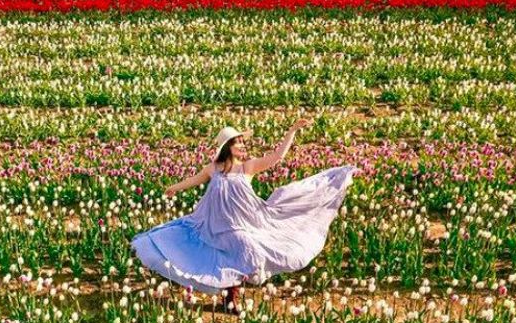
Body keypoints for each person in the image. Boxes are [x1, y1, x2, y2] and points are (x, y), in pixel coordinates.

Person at [131, 119, 355, 311]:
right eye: (238, 142)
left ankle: (231, 295)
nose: (242, 145)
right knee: (204, 251)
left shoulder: (248, 167)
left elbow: (276, 157)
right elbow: (194, 180)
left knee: (246, 250)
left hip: (242, 225)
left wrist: (292, 131)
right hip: (212, 226)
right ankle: (230, 297)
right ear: (227, 146)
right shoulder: (214, 169)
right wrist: (174, 188)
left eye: (242, 141)